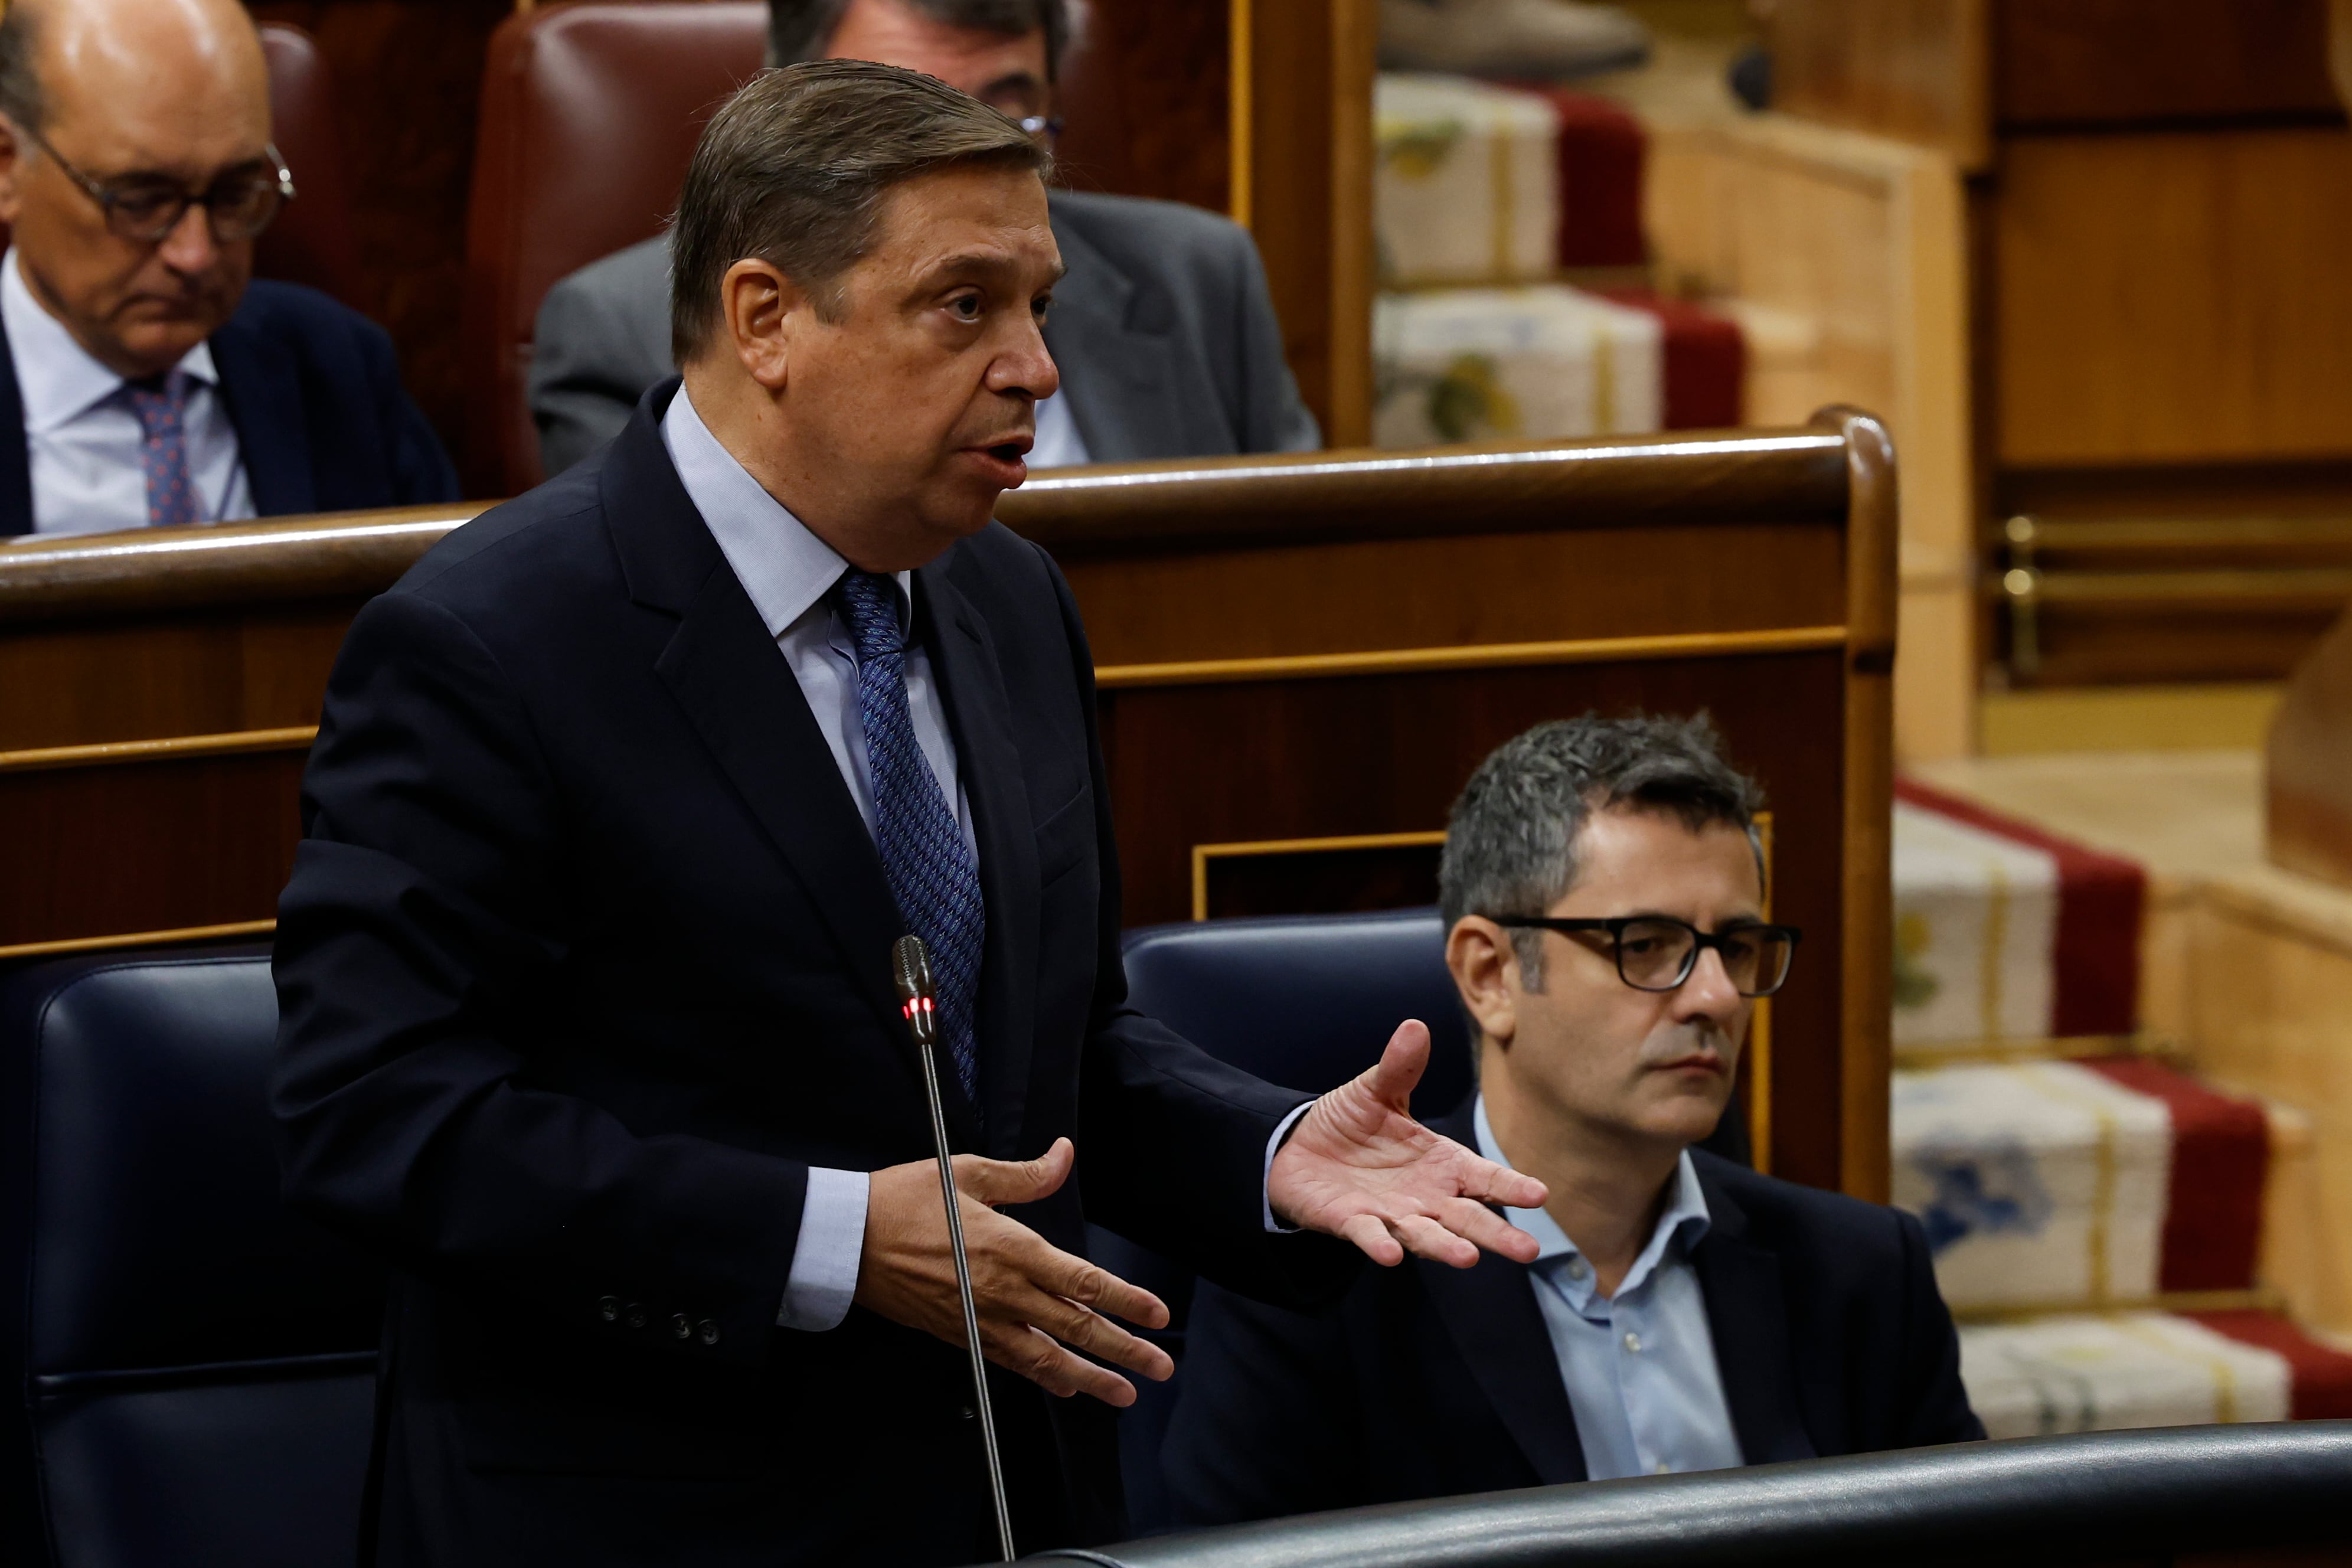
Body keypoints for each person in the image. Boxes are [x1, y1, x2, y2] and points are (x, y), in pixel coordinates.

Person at [272, 61, 1545, 1568]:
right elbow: (380, 1114)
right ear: (767, 320)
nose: (1036, 369)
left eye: (1039, 305)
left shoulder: (1011, 596)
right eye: (964, 306)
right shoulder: (490, 644)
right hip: (652, 1513)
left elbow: (1055, 1047)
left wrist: (1266, 1154)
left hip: (1013, 1497)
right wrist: (822, 1241)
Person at [1165, 715, 1982, 1524]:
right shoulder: (1323, 1292)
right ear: (1490, 975)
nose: (1719, 997)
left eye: (1736, 948)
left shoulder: (1867, 1275)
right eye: (1648, 944)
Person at [528, 0, 1317, 480]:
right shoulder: (625, 326)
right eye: (902, 131)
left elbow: (1313, 579)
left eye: (1013, 121)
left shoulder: (1198, 274)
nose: (1036, 374)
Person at [0, 0, 456, 539]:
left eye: (233, 194)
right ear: (8, 166)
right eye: (141, 200)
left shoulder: (340, 367)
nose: (195, 255)